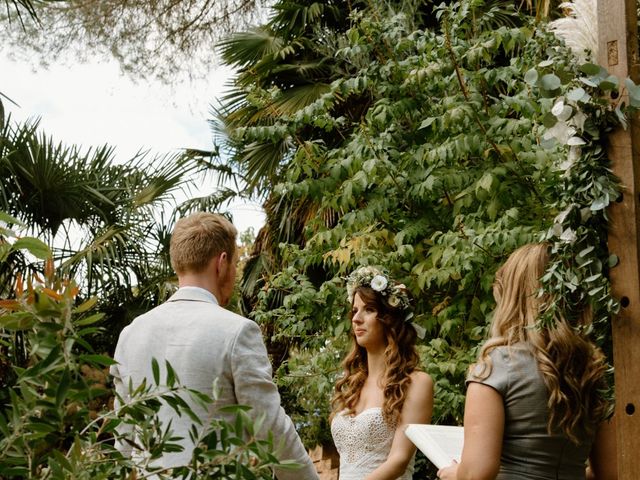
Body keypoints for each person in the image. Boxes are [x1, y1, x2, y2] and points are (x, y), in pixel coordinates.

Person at [110, 212, 319, 480]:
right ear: (221, 263)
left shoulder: (130, 335)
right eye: (234, 264)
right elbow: (270, 427)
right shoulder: (237, 331)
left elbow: (125, 438)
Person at [437, 243, 617, 480]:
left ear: (511, 296)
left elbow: (476, 473)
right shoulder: (591, 370)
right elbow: (610, 471)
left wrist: (455, 473)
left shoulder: (497, 366)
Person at [330, 266, 434, 480]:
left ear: (389, 319)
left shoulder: (416, 383)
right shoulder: (353, 385)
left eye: (368, 310)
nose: (356, 319)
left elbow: (398, 460)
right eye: (355, 311)